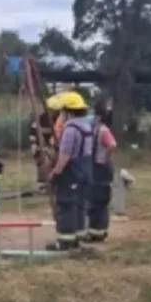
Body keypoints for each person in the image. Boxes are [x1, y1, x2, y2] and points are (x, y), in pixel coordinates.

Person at [47, 91, 95, 250]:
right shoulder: (87, 125)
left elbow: (65, 154)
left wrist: (56, 172)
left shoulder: (70, 129)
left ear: (67, 111)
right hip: (85, 171)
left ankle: (65, 241)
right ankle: (78, 237)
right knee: (79, 205)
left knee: (66, 205)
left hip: (71, 172)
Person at [85, 102, 118, 242]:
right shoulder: (95, 129)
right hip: (96, 168)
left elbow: (112, 145)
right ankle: (96, 231)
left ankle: (98, 232)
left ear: (98, 117)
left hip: (101, 169)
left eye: (94, 114)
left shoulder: (103, 131)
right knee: (95, 201)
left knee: (99, 201)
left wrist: (104, 158)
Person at [30, 94, 62, 190]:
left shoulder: (59, 119)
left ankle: (53, 183)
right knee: (41, 163)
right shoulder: (40, 118)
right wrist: (34, 145)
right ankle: (42, 183)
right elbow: (33, 131)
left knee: (53, 163)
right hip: (40, 145)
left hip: (53, 146)